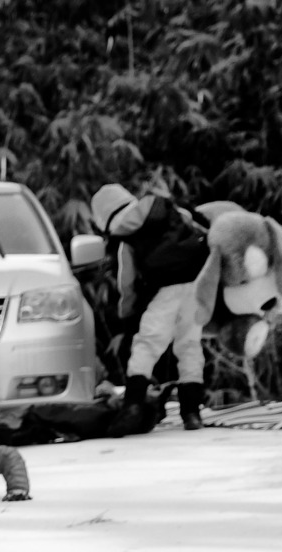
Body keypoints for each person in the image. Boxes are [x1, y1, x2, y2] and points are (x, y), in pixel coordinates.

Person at [90, 183, 213, 435]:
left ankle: (132, 408)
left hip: (163, 292)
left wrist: (127, 313)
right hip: (195, 285)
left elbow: (127, 283)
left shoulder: (126, 236)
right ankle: (192, 412)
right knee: (189, 346)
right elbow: (197, 226)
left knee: (146, 346)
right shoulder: (167, 209)